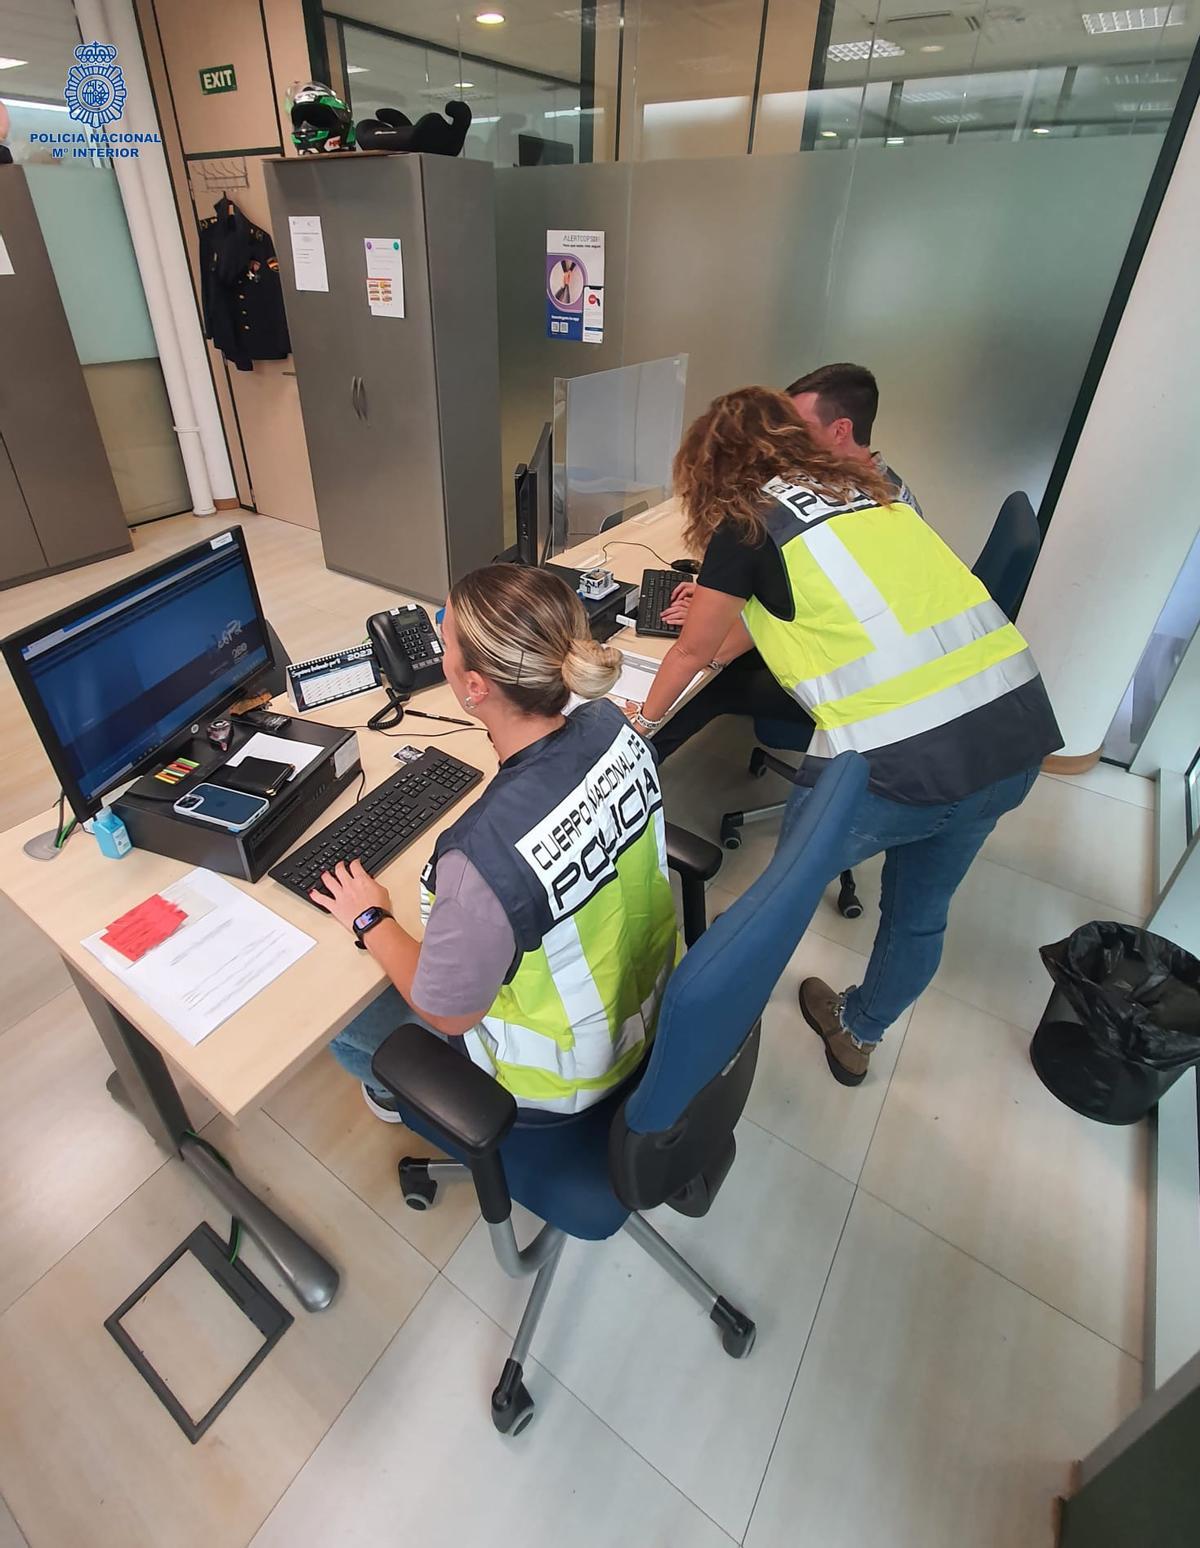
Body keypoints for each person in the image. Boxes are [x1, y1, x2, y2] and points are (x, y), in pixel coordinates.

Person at [625, 387, 1061, 1087]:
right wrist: (725, 627)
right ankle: (858, 1034)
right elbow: (805, 608)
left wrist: (641, 724)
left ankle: (703, 1052)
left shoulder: (746, 523)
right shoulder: (875, 489)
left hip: (898, 765)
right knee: (921, 912)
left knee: (775, 909)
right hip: (1013, 734)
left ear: (712, 467)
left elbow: (689, 652)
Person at [312, 564, 680, 1122]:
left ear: (474, 687)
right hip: (652, 1009)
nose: (441, 655)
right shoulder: (616, 726)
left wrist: (371, 919)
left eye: (446, 641)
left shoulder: (481, 858)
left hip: (564, 1077)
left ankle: (402, 1098)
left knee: (344, 1025)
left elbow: (450, 1013)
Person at [652, 363, 912, 763]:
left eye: (797, 429)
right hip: (887, 663)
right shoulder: (878, 486)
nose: (790, 444)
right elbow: (810, 583)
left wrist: (643, 720)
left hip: (862, 684)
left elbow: (698, 651)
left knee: (713, 682)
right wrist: (719, 600)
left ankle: (637, 766)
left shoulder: (772, 511)